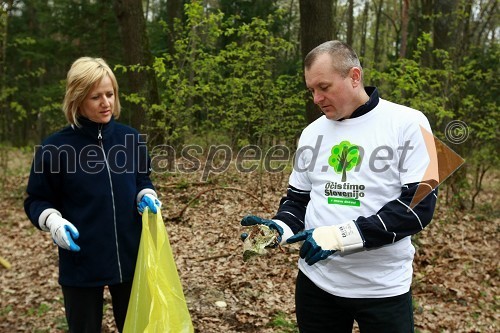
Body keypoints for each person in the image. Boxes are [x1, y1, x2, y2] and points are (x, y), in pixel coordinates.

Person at [241, 40, 439, 332]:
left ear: (354, 76)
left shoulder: (409, 123)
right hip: (317, 284)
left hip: (382, 289)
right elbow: (297, 202)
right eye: (311, 90)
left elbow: (418, 207)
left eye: (324, 87)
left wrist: (339, 237)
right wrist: (278, 230)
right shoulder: (311, 133)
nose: (316, 98)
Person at [24, 57, 162, 333]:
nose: (106, 103)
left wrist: (145, 194)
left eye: (110, 94)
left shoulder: (130, 139)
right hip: (81, 263)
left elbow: (141, 180)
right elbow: (36, 200)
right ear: (77, 100)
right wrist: (53, 222)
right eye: (96, 97)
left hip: (131, 259)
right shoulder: (54, 148)